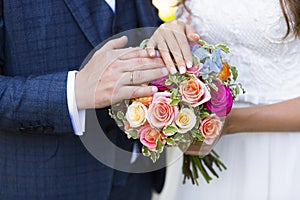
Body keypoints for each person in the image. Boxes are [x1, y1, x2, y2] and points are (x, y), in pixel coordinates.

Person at [0, 0, 199, 199]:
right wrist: (74, 91)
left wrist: (166, 34)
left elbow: (137, 22)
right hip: (44, 184)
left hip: (135, 178)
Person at [152, 0, 300, 199]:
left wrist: (229, 123)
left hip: (284, 147)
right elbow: (193, 42)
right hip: (213, 146)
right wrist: (174, 35)